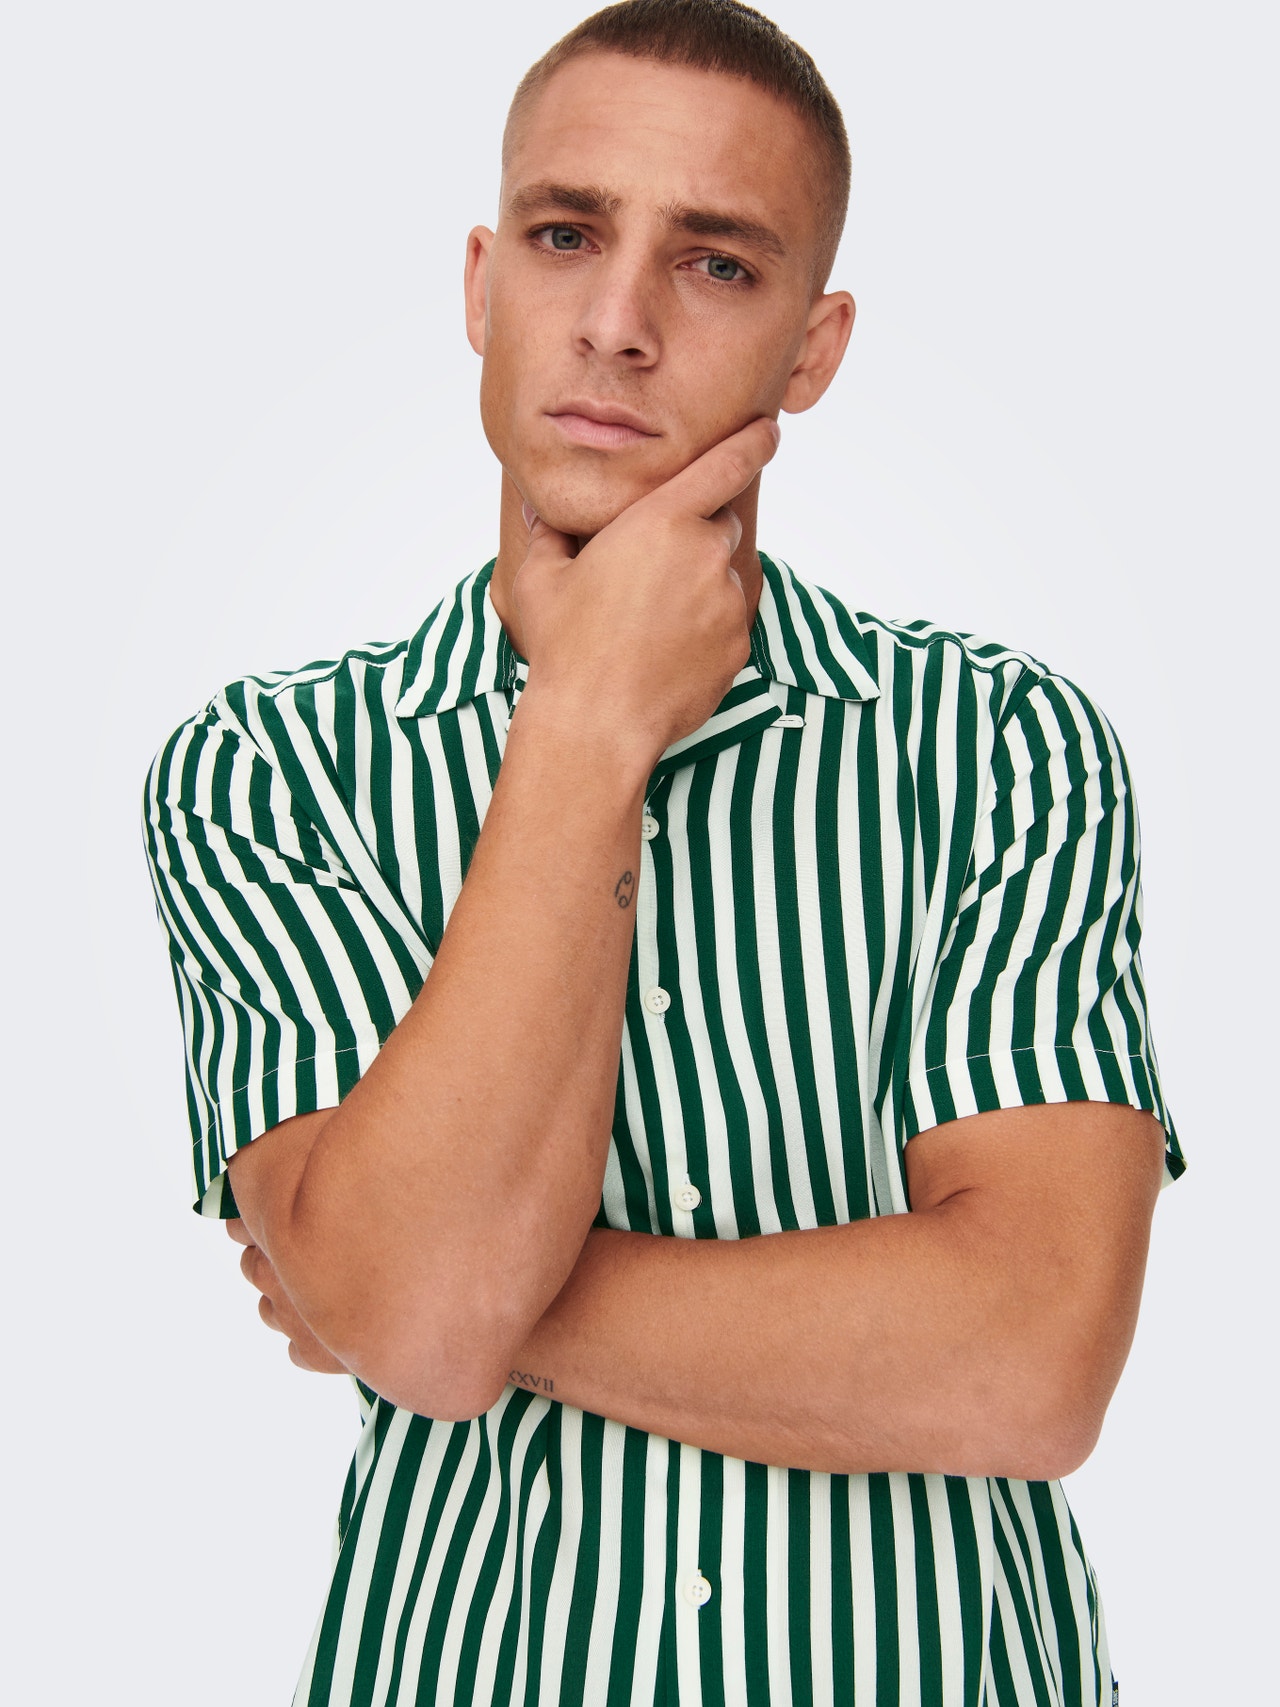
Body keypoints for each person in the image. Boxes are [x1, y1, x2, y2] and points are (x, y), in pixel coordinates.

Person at [141, 3, 1184, 1703]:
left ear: (812, 350)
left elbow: (1029, 1365)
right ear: (481, 287)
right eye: (567, 237)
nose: (617, 323)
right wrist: (587, 727)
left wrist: (413, 1300)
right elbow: (417, 1314)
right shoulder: (266, 775)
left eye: (714, 265)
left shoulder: (1004, 747)